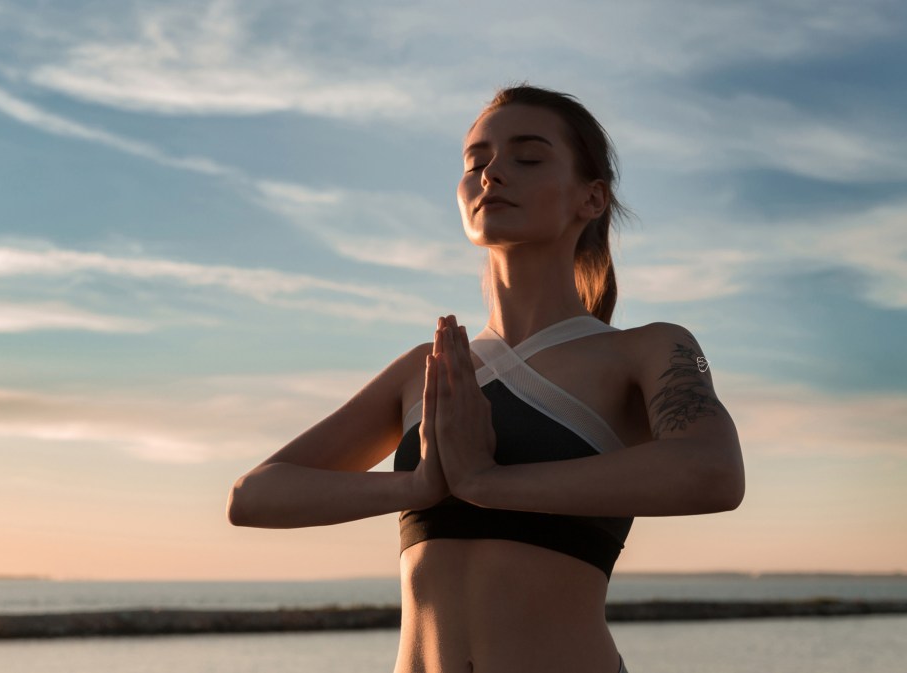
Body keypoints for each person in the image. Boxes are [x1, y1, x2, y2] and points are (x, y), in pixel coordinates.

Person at [226, 84, 746, 673]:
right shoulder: (427, 369)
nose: (492, 174)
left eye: (527, 157)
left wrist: (484, 481)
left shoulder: (651, 349)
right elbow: (254, 496)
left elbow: (713, 472)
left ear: (592, 198)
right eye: (476, 162)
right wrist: (418, 488)